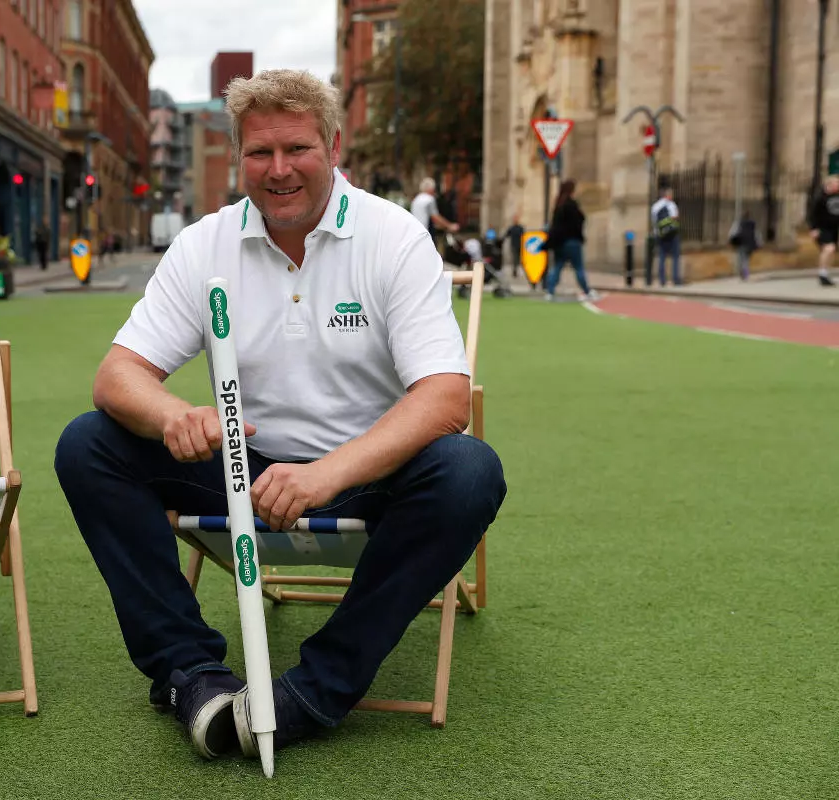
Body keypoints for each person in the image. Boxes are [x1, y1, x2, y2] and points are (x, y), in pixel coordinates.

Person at [54, 69, 507, 763]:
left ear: (332, 144)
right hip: (242, 465)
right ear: (238, 157)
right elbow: (118, 376)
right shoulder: (205, 243)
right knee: (90, 445)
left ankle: (313, 692)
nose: (278, 170)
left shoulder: (393, 237)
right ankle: (192, 675)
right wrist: (173, 413)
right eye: (259, 153)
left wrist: (324, 476)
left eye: (296, 148)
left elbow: (444, 397)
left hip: (364, 468)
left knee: (470, 470)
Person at [544, 180, 600, 302]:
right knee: (578, 267)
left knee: (557, 267)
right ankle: (587, 291)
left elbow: (555, 226)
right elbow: (580, 220)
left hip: (560, 243)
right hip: (572, 242)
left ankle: (550, 291)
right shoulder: (572, 205)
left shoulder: (558, 205)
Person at [808, 174, 839, 287]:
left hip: (834, 228)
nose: (838, 185)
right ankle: (822, 273)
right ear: (829, 184)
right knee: (829, 248)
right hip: (822, 228)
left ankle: (825, 273)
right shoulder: (820, 197)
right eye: (836, 183)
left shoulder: (837, 196)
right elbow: (812, 214)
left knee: (832, 250)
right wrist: (813, 228)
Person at [651, 185, 682, 286]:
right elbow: (675, 218)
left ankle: (662, 280)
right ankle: (676, 279)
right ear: (668, 195)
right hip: (672, 235)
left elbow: (654, 222)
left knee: (662, 257)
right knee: (675, 257)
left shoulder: (655, 207)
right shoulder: (671, 205)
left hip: (660, 235)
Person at [409, 177, 458, 242]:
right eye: (433, 189)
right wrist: (450, 226)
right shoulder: (429, 199)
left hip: (415, 232)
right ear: (430, 189)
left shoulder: (416, 199)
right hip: (425, 234)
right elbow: (435, 217)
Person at [728, 209, 760, 281]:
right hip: (750, 244)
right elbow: (757, 234)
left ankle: (743, 273)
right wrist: (758, 243)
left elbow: (733, 232)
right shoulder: (753, 224)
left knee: (740, 259)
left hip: (741, 243)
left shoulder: (739, 223)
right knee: (746, 260)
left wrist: (731, 240)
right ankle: (745, 273)